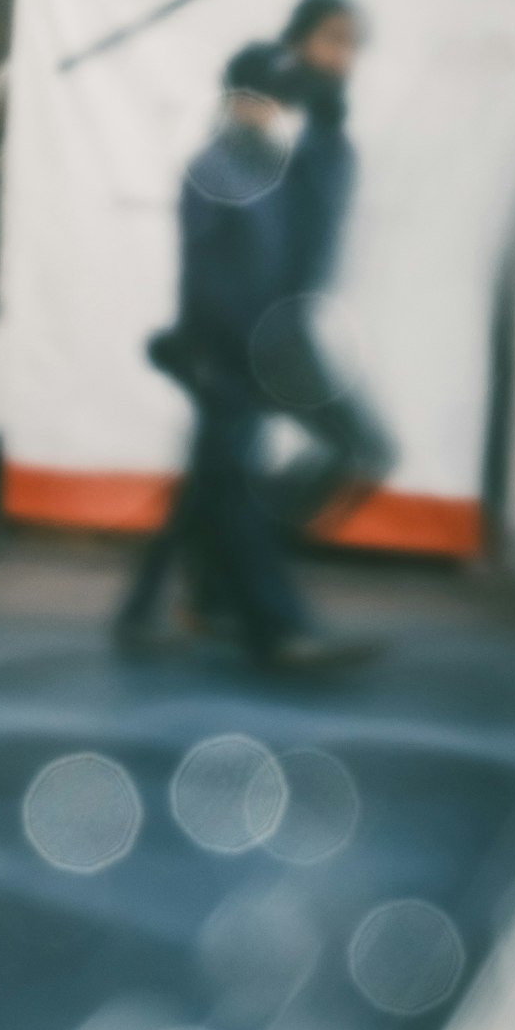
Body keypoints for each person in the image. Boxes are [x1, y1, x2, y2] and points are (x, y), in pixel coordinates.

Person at [114, 47, 377, 672]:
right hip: (227, 353)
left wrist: (331, 124)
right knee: (230, 485)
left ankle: (148, 610)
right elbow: (204, 274)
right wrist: (204, 350)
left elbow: (310, 231)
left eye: (281, 98)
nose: (275, 107)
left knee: (212, 489)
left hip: (260, 347)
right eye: (267, 95)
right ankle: (280, 630)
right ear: (237, 96)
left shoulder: (272, 165)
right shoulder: (215, 167)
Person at [257, 0, 399, 532]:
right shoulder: (282, 115)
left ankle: (237, 553)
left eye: (353, 45)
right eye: (333, 40)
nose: (345, 57)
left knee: (360, 449)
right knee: (362, 447)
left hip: (289, 318)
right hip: (267, 324)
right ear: (298, 42)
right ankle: (247, 549)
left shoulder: (323, 118)